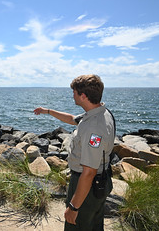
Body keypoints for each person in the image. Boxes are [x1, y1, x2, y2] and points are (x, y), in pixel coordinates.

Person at [34, 74, 115, 231]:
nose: (73, 95)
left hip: (87, 186)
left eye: (74, 92)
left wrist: (74, 206)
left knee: (77, 225)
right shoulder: (100, 112)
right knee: (94, 225)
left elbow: (89, 172)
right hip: (101, 181)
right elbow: (72, 119)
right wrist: (47, 111)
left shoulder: (94, 128)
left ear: (83, 96)